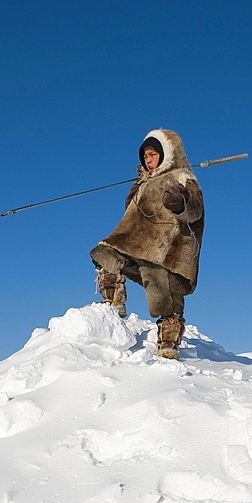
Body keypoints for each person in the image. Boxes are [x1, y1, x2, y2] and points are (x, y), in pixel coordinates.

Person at [90, 129, 204, 359]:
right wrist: (136, 188)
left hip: (167, 247)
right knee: (105, 253)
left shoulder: (182, 177)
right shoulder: (143, 182)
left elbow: (195, 210)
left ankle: (168, 340)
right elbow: (130, 214)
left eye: (152, 154)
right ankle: (113, 301)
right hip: (136, 241)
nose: (148, 160)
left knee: (163, 289)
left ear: (166, 153)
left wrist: (180, 202)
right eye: (144, 156)